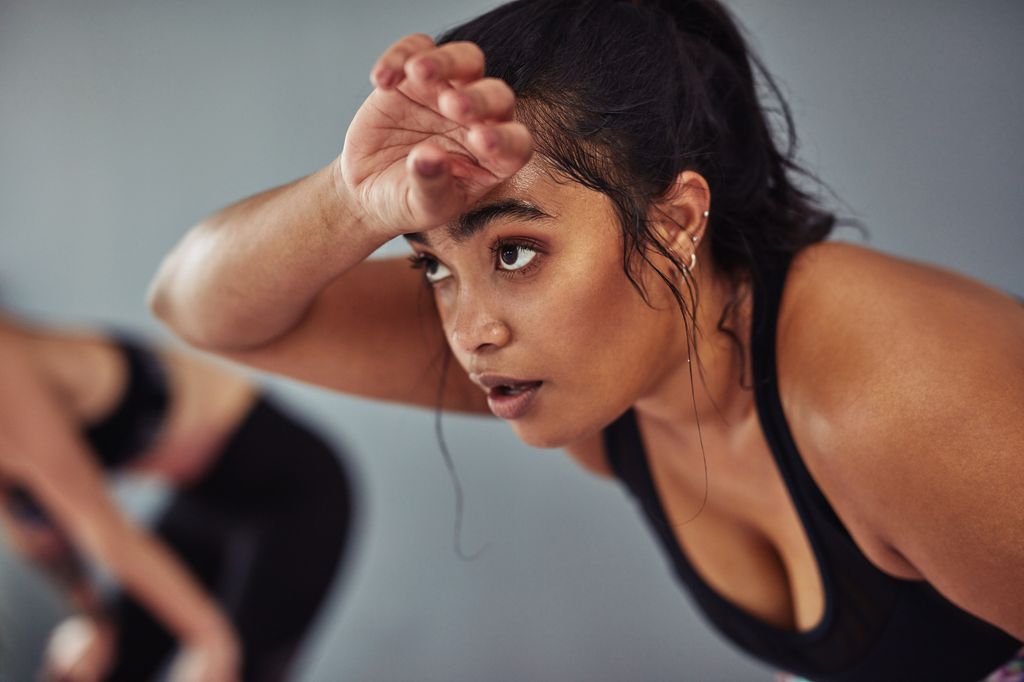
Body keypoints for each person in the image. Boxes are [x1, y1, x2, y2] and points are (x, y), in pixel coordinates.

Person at [147, 0, 1023, 679]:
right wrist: (351, 201)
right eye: (433, 267)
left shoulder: (895, 400)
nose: (471, 330)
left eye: (516, 250)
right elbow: (196, 305)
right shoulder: (608, 372)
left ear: (676, 220)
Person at [0, 311, 354, 682]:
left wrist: (209, 639)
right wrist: (94, 619)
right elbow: (33, 524)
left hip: (287, 490)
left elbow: (100, 526)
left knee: (227, 669)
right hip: (199, 504)